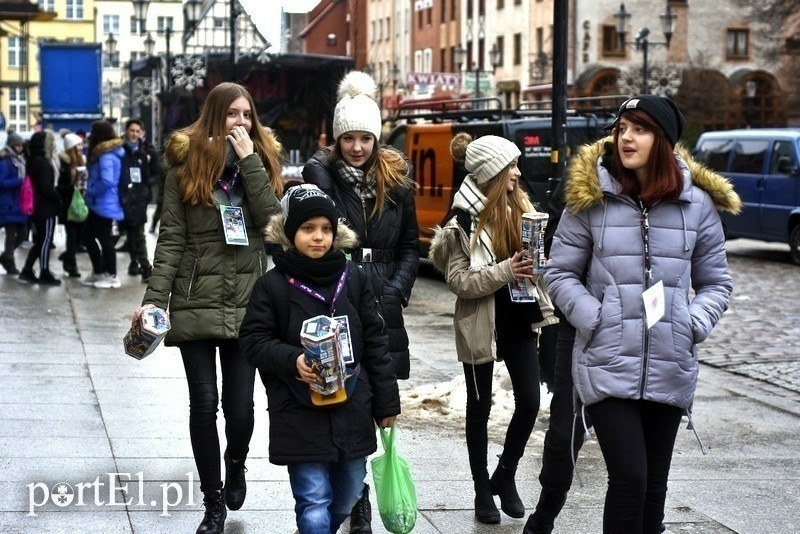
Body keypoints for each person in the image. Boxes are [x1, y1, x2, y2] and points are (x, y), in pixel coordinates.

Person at [543, 95, 740, 533]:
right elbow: (558, 273)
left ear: (664, 141)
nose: (626, 137)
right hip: (607, 360)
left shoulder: (698, 205)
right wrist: (596, 318)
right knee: (630, 478)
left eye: (640, 129)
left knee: (654, 489)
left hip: (670, 362)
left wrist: (692, 322)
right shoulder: (591, 199)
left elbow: (717, 283)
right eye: (622, 128)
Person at [131, 81, 283, 534]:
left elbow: (273, 222)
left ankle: (236, 461)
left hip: (247, 303)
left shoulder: (265, 160)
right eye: (232, 114)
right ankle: (212, 501)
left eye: (247, 115)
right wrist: (153, 303)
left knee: (240, 410)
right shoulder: (184, 169)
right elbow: (171, 240)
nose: (241, 122)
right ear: (214, 119)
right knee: (204, 403)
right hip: (195, 299)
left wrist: (251, 160)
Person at [238, 183, 400, 534]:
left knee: (348, 494)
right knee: (313, 501)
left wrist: (387, 404)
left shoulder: (353, 278)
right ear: (290, 232)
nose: (318, 237)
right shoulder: (273, 285)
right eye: (308, 229)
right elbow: (252, 340)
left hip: (353, 405)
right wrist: (292, 360)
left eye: (326, 229)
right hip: (299, 412)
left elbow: (375, 342)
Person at [302, 70, 419, 533]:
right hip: (342, 298)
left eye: (365, 138)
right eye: (348, 138)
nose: (357, 147)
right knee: (346, 400)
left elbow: (412, 245)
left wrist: (396, 291)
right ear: (337, 138)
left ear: (377, 137)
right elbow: (319, 241)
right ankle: (358, 499)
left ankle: (359, 494)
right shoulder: (321, 175)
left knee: (377, 402)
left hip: (385, 301)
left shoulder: (397, 178)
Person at [428, 133, 556, 524]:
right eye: (511, 167)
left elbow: (532, 264)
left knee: (530, 401)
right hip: (480, 322)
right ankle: (482, 489)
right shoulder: (460, 220)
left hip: (519, 317)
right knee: (479, 408)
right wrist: (506, 269)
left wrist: (538, 263)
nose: (518, 173)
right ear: (492, 173)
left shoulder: (522, 206)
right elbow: (460, 282)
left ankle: (505, 473)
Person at [82, 120, 125, 289]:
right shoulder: (105, 153)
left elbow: (107, 181)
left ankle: (112, 275)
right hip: (99, 203)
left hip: (105, 204)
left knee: (104, 240)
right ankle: (99, 271)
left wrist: (90, 190)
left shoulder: (106, 155)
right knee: (87, 236)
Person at [19, 130, 62, 286]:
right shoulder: (43, 162)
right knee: (45, 240)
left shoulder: (33, 159)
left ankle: (27, 269)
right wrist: (59, 197)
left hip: (38, 207)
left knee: (40, 241)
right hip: (46, 207)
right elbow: (46, 187)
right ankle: (44, 271)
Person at [118, 119, 154, 281]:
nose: (134, 134)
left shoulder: (144, 153)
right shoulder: (119, 151)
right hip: (121, 199)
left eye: (137, 131)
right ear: (126, 131)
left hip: (138, 199)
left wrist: (145, 191)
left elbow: (150, 176)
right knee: (118, 233)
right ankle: (104, 267)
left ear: (141, 133)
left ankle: (144, 265)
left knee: (138, 234)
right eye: (131, 130)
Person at [56, 133, 87, 278]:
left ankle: (67, 256)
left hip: (81, 203)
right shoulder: (64, 163)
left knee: (80, 235)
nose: (81, 148)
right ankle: (71, 265)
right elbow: (59, 186)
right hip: (68, 204)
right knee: (72, 236)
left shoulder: (82, 160)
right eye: (78, 145)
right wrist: (72, 188)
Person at [0, 131, 27, 275]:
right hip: (9, 202)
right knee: (11, 234)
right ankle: (9, 261)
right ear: (11, 145)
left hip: (18, 202)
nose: (20, 147)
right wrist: (19, 182)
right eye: (18, 145)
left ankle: (5, 256)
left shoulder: (19, 160)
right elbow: (1, 182)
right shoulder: (5, 161)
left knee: (22, 234)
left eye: (21, 145)